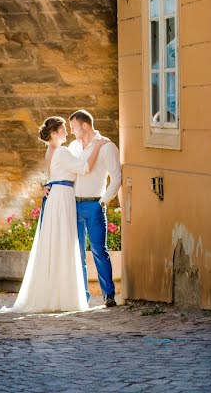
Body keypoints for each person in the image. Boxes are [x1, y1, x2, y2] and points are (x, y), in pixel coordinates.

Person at [4, 116, 106, 313]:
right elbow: (85, 168)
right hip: (62, 198)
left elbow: (53, 175)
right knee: (64, 243)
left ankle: (55, 293)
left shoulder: (50, 151)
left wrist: (46, 185)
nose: (66, 133)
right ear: (52, 133)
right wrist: (97, 147)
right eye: (62, 130)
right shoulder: (61, 151)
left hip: (56, 197)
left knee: (56, 244)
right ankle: (63, 297)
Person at [68, 109, 121, 307]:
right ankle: (83, 296)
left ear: (84, 125)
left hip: (94, 205)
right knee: (78, 253)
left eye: (74, 127)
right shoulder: (73, 146)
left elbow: (116, 178)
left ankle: (109, 295)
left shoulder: (107, 147)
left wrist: (103, 202)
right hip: (74, 204)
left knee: (99, 250)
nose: (72, 131)